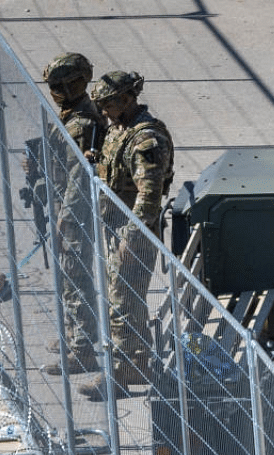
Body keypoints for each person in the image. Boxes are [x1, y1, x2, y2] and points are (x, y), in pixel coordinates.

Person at [78, 70, 174, 401]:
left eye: (108, 103)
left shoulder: (146, 140)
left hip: (133, 232)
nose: (103, 110)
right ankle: (137, 362)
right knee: (126, 303)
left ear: (127, 99)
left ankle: (116, 374)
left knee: (120, 304)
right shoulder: (120, 130)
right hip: (116, 227)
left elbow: (149, 196)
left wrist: (131, 239)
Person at [33, 52, 108, 376]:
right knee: (69, 276)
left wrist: (66, 216)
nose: (57, 92)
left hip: (75, 211)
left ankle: (82, 351)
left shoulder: (82, 123)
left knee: (76, 276)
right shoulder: (73, 115)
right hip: (67, 205)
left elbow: (79, 176)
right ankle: (74, 336)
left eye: (61, 85)